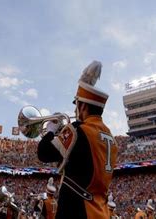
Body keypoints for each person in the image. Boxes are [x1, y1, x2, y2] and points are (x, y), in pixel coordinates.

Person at [38, 61, 118, 219]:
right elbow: (83, 162)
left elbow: (43, 153)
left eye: (77, 105)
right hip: (100, 211)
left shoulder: (79, 130)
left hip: (77, 209)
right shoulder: (111, 138)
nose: (75, 110)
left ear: (82, 106)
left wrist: (50, 131)